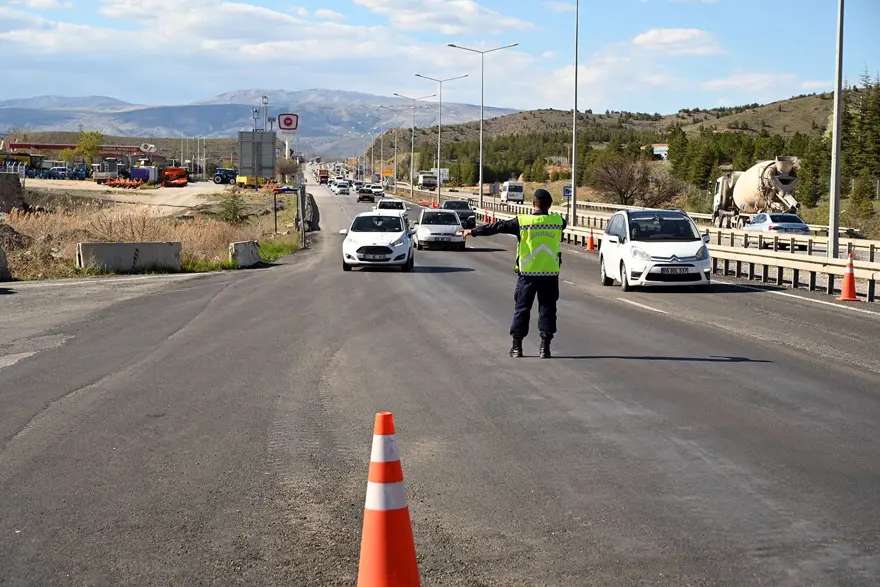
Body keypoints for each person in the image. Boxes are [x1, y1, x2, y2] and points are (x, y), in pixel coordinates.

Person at [461, 188, 566, 358]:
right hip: (550, 275)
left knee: (522, 309)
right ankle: (545, 348)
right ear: (550, 205)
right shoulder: (559, 222)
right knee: (547, 310)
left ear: (533, 203)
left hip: (527, 276)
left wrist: (472, 231)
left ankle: (517, 347)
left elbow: (496, 227)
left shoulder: (522, 222)